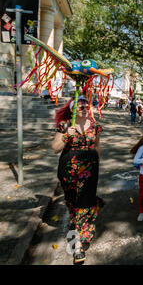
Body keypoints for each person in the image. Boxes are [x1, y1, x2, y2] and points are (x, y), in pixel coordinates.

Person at [51, 96, 104, 265]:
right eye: (79, 106)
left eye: (85, 106)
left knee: (85, 203)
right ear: (73, 110)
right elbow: (55, 148)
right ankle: (80, 229)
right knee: (74, 204)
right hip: (69, 172)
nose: (83, 108)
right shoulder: (66, 125)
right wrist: (67, 135)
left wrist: (97, 165)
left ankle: (78, 244)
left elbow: (97, 146)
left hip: (89, 172)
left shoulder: (95, 126)